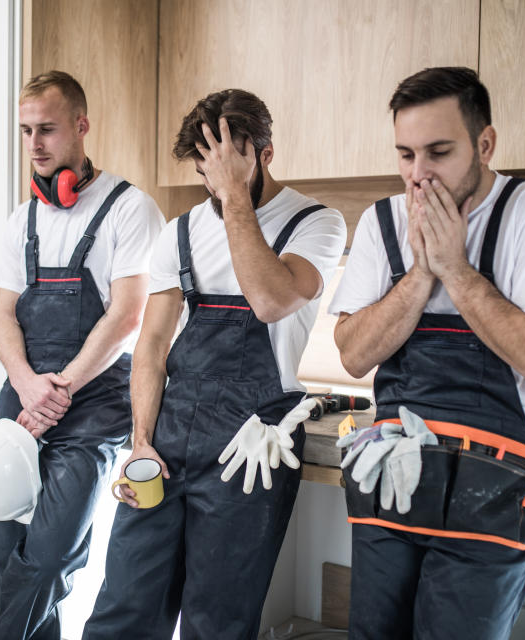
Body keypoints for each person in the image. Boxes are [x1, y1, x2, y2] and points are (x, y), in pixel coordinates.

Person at [329, 67, 525, 639]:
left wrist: (455, 266)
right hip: (391, 475)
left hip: (491, 489)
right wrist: (420, 276)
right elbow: (353, 355)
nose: (418, 176)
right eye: (405, 155)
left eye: (438, 153)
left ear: (485, 143)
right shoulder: (383, 223)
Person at [82, 89, 346, 639]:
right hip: (169, 440)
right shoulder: (178, 233)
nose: (213, 185)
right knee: (122, 612)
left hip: (247, 446)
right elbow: (152, 347)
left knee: (217, 622)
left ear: (265, 155)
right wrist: (140, 443)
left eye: (226, 167)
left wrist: (235, 201)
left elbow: (272, 300)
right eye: (206, 171)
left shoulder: (316, 224)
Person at [0, 70, 164, 640]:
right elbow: (1, 314)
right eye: (26, 131)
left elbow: (129, 314)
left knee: (53, 554)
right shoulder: (23, 218)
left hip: (92, 408)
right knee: (9, 548)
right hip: (22, 401)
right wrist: (28, 386)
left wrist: (58, 390)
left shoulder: (129, 209)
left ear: (81, 127)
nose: (34, 145)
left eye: (48, 130)